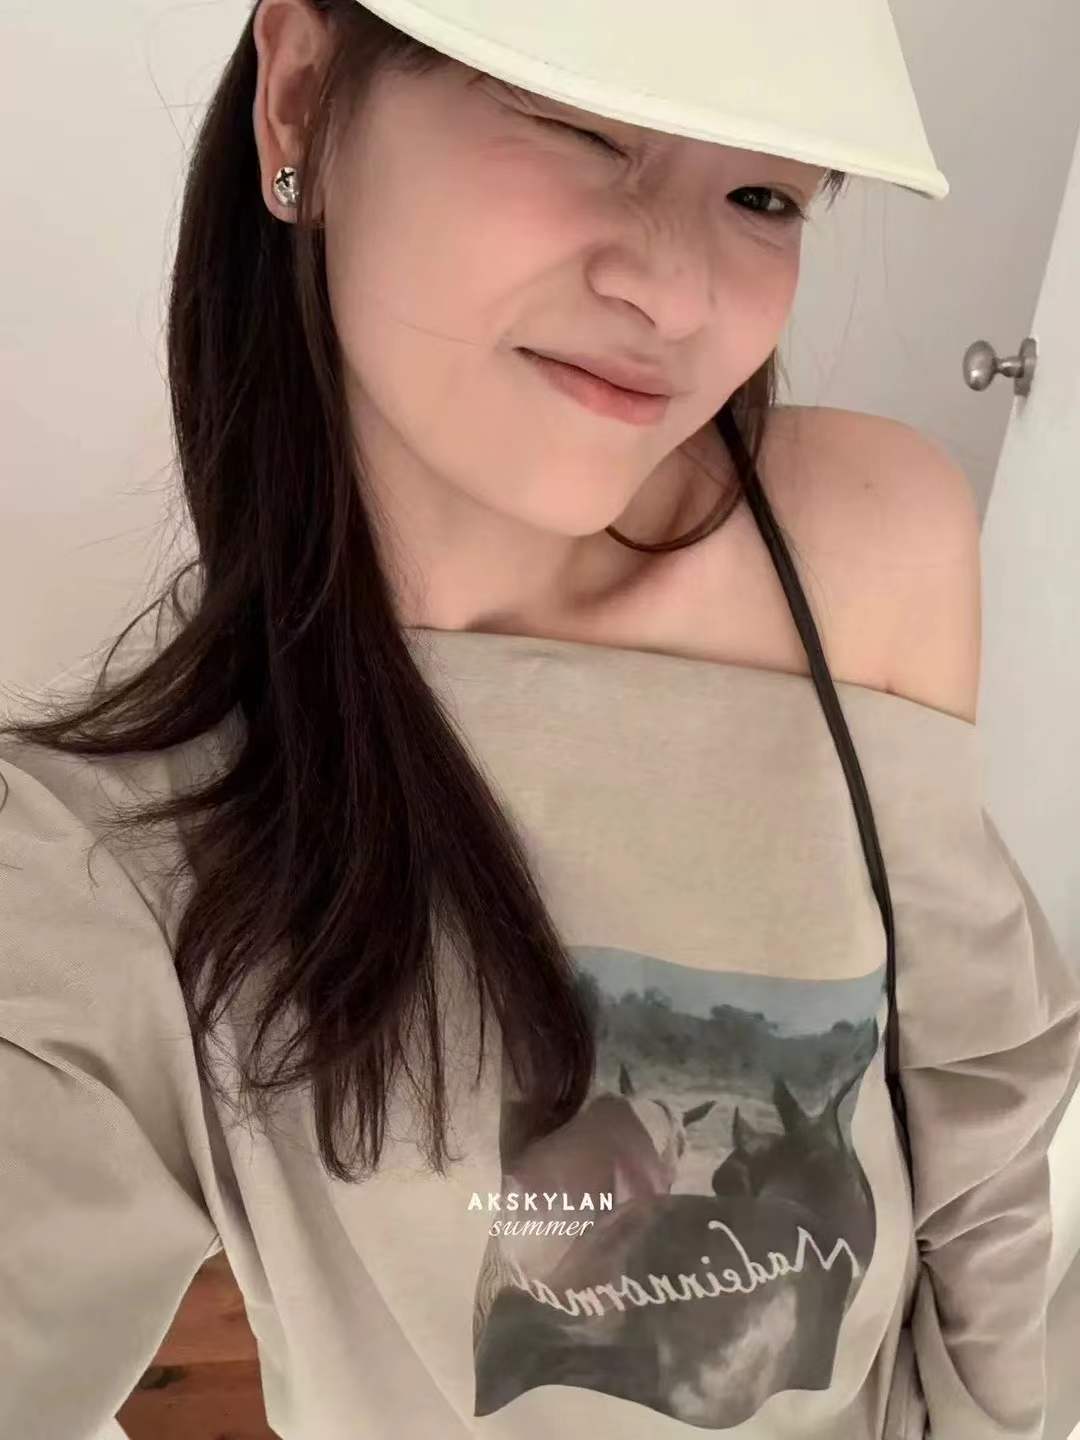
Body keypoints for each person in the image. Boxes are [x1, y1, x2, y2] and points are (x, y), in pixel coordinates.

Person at [2, 1, 1079, 1437]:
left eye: (765, 196)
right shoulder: (114, 856)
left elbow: (976, 1096)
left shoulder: (866, 544)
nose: (677, 292)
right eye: (579, 126)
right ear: (301, 96)